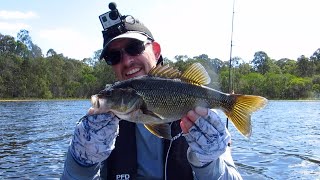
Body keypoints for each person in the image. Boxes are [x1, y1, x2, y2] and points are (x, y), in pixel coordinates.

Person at [62, 4, 243, 180]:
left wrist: (209, 163)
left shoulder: (207, 126)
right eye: (114, 57)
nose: (126, 61)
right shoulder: (97, 128)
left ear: (156, 51)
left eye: (134, 47)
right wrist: (82, 162)